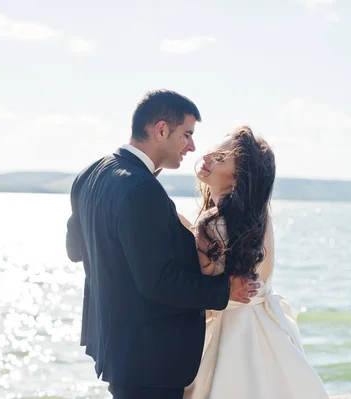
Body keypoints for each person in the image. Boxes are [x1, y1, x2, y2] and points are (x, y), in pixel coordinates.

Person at [65, 90, 260, 399]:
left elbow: (76, 250)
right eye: (187, 134)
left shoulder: (90, 174)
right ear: (160, 130)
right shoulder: (143, 189)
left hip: (116, 347)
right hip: (150, 357)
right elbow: (159, 282)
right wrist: (226, 290)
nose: (192, 146)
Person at [181, 126, 329, 399]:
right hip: (267, 327)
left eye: (221, 157)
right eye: (215, 149)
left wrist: (174, 219)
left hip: (230, 334)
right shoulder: (260, 218)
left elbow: (207, 298)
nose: (209, 156)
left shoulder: (208, 225)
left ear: (237, 176)